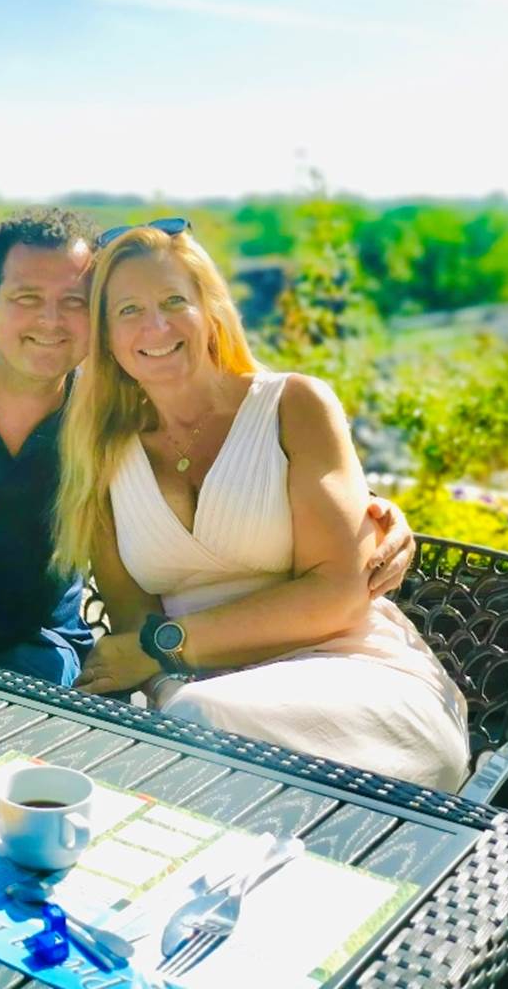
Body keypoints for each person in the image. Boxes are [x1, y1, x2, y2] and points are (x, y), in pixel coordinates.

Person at [0, 208, 419, 688]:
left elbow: (247, 460)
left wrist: (375, 512)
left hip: (41, 655)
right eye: (28, 297)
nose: (51, 320)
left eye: (74, 302)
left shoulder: (110, 421)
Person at [54, 221, 470, 790]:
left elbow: (339, 597)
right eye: (128, 310)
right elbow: (134, 627)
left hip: (352, 674)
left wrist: (168, 649)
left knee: (196, 735)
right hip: (199, 696)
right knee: (188, 747)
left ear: (210, 309)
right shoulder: (102, 454)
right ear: (103, 337)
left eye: (175, 300)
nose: (156, 325)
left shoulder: (293, 405)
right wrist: (165, 671)